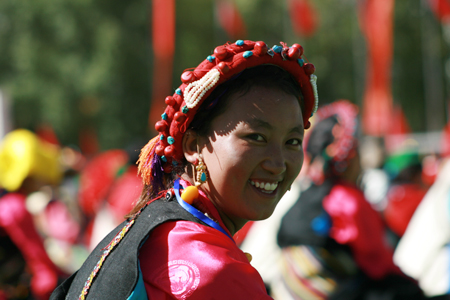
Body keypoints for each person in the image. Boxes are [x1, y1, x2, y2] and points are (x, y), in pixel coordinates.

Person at [50, 39, 319, 299]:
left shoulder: (160, 224)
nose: (277, 163)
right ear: (193, 145)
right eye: (256, 137)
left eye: (292, 142)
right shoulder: (209, 268)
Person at [273, 100, 425, 300]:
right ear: (350, 156)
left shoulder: (306, 195)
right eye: (358, 149)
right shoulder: (347, 200)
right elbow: (378, 264)